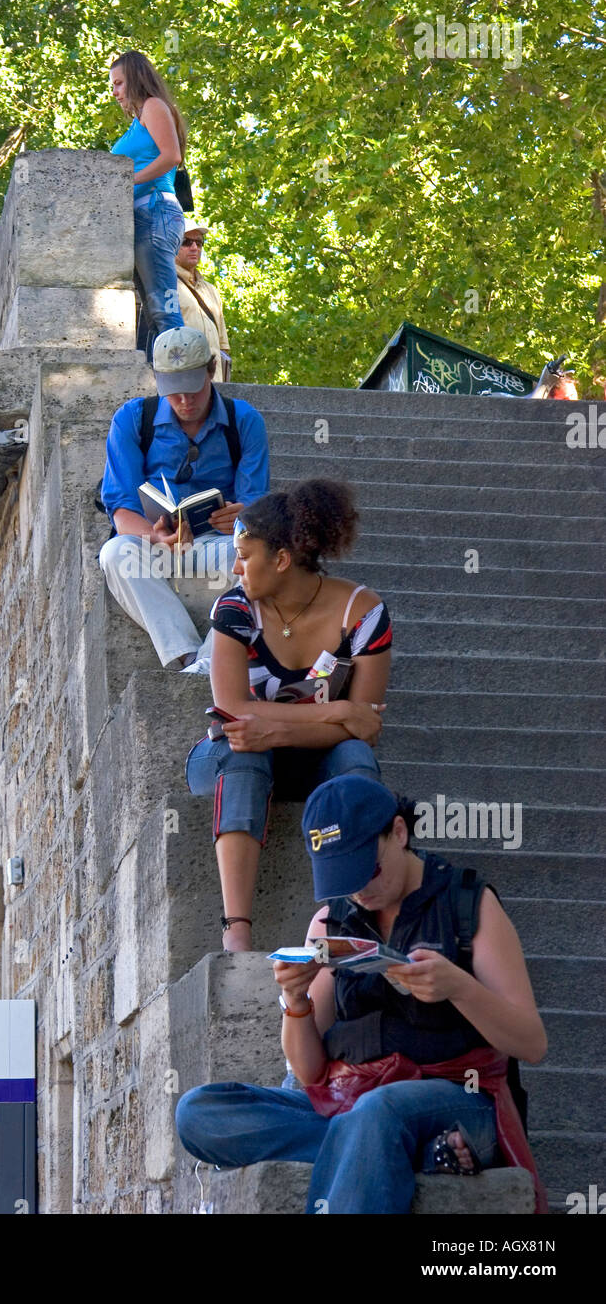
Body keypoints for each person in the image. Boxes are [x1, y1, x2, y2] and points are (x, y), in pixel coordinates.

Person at [175, 774, 548, 1215]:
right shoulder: (332, 921)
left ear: (399, 833)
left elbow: (531, 1042)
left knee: (377, 1110)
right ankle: (413, 1152)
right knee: (201, 1112)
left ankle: (387, 1140)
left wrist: (458, 987)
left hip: (458, 1100)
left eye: (366, 870)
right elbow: (310, 1073)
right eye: (342, 877)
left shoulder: (468, 905)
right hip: (346, 1095)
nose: (359, 891)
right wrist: (295, 1003)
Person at [185, 482, 390, 950]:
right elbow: (234, 712)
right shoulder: (235, 609)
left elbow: (367, 727)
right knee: (245, 755)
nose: (235, 568)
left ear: (280, 560)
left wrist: (276, 727)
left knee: (355, 757)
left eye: (244, 555)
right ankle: (236, 932)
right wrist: (336, 710)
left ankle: (352, 916)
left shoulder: (363, 612)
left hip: (312, 762)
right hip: (226, 756)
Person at [99, 327, 270, 670]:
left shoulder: (245, 421)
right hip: (155, 546)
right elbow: (121, 509)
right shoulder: (133, 419)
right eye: (173, 392)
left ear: (211, 372)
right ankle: (188, 657)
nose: (184, 401)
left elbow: (257, 508)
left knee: (265, 558)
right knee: (114, 553)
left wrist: (241, 517)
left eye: (193, 389)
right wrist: (155, 535)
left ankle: (209, 660)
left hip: (217, 545)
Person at [109, 50, 187, 352]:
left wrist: (124, 181)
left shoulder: (154, 106)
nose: (114, 92)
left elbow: (171, 157)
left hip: (156, 213)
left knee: (163, 309)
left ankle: (185, 379)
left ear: (136, 79)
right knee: (151, 313)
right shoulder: (138, 120)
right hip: (143, 219)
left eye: (118, 84)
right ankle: (162, 383)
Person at [175, 221, 231, 381]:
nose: (194, 247)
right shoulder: (166, 285)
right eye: (186, 242)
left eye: (199, 243)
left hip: (215, 383)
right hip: (184, 381)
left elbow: (223, 347)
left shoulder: (211, 291)